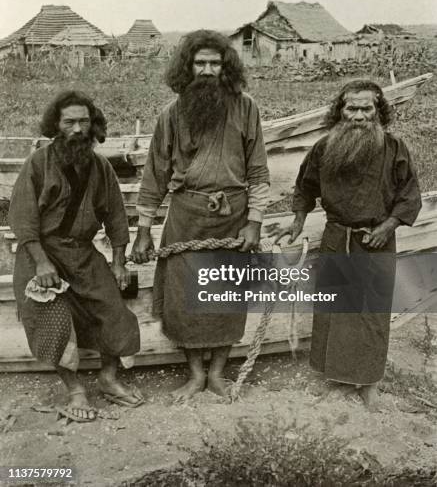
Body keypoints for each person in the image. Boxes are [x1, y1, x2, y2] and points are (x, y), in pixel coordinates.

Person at [131, 30, 270, 401]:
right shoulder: (171, 114)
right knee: (185, 298)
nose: (207, 70)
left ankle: (218, 375)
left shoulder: (246, 107)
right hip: (186, 216)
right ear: (187, 67)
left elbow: (258, 171)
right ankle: (195, 375)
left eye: (215, 63)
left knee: (227, 296)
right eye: (200, 63)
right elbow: (155, 174)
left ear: (226, 67)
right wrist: (143, 229)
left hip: (234, 217)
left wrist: (254, 221)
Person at [270, 80, 421, 410]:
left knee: (371, 315)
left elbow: (410, 196)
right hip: (337, 238)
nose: (359, 116)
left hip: (376, 241)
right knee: (334, 312)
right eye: (351, 108)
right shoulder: (324, 147)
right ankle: (337, 380)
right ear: (340, 111)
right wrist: (296, 222)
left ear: (378, 111)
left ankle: (368, 385)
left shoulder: (395, 148)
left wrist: (387, 226)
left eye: (367, 109)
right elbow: (304, 189)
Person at [9, 91, 143, 422]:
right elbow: (23, 219)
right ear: (56, 125)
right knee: (52, 318)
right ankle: (75, 391)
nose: (78, 129)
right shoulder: (38, 164)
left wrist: (118, 260)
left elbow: (115, 216)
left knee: (114, 311)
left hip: (82, 253)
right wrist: (41, 263)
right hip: (42, 253)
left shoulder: (100, 167)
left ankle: (108, 379)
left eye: (84, 121)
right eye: (70, 122)